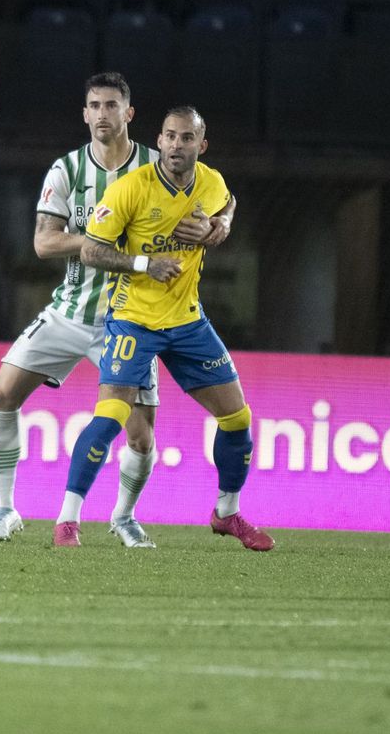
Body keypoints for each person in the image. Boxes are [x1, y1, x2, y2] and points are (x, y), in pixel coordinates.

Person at [0, 73, 234, 546]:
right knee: (2, 395)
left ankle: (123, 516)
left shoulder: (159, 165)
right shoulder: (68, 171)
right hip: (71, 310)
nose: (102, 114)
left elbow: (219, 194)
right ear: (84, 113)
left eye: (111, 105)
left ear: (129, 114)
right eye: (94, 105)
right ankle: (3, 509)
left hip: (133, 319)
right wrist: (108, 239)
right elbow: (43, 242)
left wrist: (221, 223)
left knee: (141, 438)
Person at [54, 107, 273, 551]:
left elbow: (228, 201)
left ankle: (226, 513)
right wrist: (144, 264)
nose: (176, 145)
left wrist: (221, 223)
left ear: (201, 145)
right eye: (170, 137)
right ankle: (68, 520)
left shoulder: (210, 182)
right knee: (112, 416)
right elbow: (93, 252)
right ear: (160, 140)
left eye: (186, 138)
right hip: (133, 318)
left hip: (188, 320)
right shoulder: (130, 189)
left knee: (237, 418)